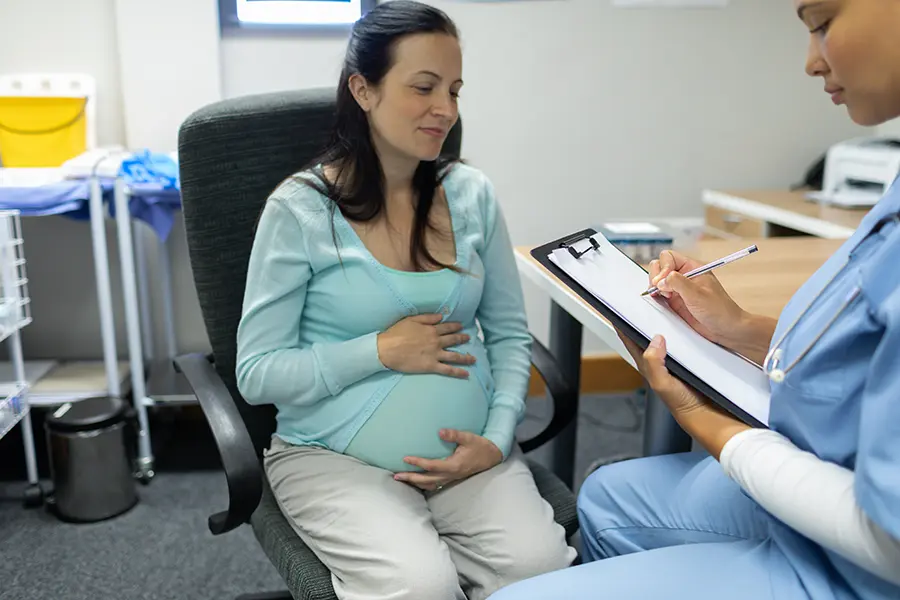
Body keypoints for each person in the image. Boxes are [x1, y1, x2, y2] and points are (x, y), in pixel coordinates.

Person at [488, 1, 900, 599]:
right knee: (607, 496)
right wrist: (737, 328)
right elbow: (861, 347)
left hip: (867, 559)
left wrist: (702, 419)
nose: (811, 61)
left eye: (821, 23)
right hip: (837, 465)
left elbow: (887, 539)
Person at [234, 2, 576, 599]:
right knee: (421, 586)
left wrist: (496, 437)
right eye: (424, 87)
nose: (445, 109)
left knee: (541, 575)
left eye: (455, 90)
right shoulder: (300, 209)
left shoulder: (471, 194)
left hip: (468, 457)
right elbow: (256, 373)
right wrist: (381, 351)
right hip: (334, 459)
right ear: (363, 89)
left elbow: (510, 333)